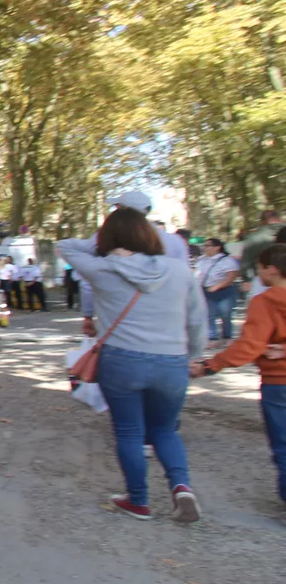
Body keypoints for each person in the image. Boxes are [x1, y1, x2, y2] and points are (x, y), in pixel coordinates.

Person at [58, 208, 206, 522]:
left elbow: (66, 246)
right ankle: (181, 487)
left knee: (128, 432)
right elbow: (196, 319)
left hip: (121, 360)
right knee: (165, 429)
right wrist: (193, 355)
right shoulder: (179, 270)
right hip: (172, 361)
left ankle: (138, 501)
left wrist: (104, 244)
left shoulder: (102, 269)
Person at [192, 243, 286, 523]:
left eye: (259, 268)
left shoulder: (266, 302)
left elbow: (249, 346)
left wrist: (210, 366)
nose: (257, 274)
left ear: (272, 269)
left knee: (284, 444)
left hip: (279, 382)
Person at [80, 191, 189, 336]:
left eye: (117, 208)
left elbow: (89, 280)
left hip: (121, 317)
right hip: (165, 314)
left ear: (123, 210)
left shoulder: (106, 238)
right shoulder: (175, 241)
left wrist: (88, 314)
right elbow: (184, 281)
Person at [195, 237, 240, 343]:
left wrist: (217, 286)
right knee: (209, 314)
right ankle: (212, 337)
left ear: (217, 247)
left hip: (224, 291)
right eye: (204, 246)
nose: (205, 248)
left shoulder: (227, 260)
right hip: (206, 290)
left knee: (225, 314)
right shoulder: (201, 260)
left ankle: (227, 335)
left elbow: (231, 277)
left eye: (208, 246)